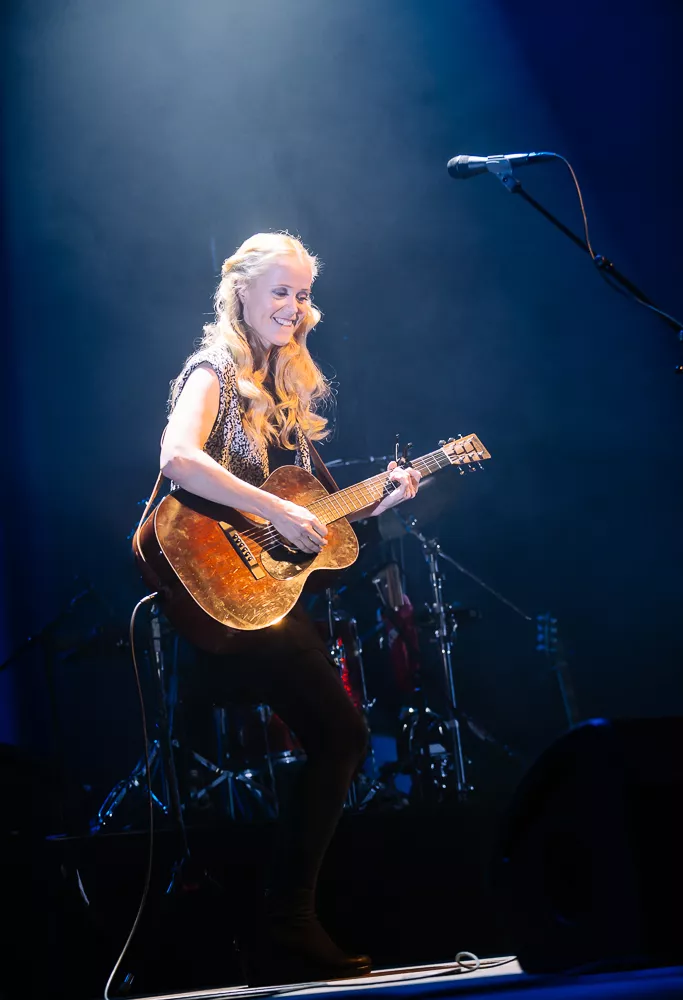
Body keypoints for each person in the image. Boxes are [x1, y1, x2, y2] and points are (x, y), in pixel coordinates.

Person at [161, 232, 421, 985]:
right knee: (342, 734)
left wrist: (385, 497)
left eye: (303, 295)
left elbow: (322, 522)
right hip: (213, 587)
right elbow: (177, 458)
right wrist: (269, 510)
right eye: (280, 290)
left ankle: (285, 924)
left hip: (263, 599)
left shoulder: (284, 394)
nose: (294, 307)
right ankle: (285, 924)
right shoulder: (211, 369)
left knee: (339, 737)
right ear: (239, 291)